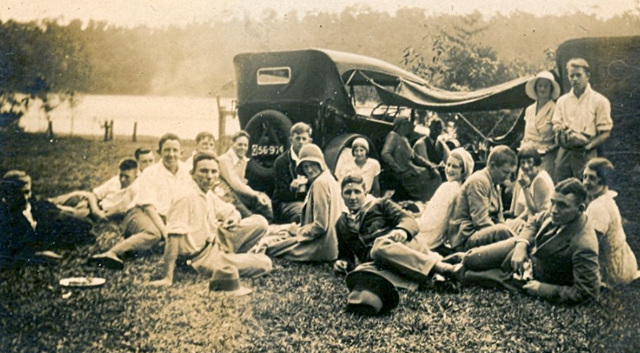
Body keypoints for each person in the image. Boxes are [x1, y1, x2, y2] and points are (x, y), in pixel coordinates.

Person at [443, 178, 600, 305]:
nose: (554, 209)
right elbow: (534, 221)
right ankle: (454, 259)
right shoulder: (557, 215)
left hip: (528, 277)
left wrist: (542, 289)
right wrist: (522, 244)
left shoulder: (584, 244)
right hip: (518, 250)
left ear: (580, 209)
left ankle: (440, 269)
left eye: (562, 205)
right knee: (471, 259)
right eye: (553, 202)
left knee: (468, 276)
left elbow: (587, 293)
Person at [148, 153, 272, 287]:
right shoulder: (186, 197)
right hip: (201, 259)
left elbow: (230, 210)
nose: (209, 176)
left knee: (260, 222)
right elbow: (173, 237)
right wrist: (167, 277)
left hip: (216, 242)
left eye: (214, 172)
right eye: (203, 171)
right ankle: (232, 260)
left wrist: (232, 218)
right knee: (265, 263)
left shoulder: (206, 193)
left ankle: (233, 258)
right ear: (192, 174)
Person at [90, 133, 191, 269]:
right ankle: (111, 253)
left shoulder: (187, 171)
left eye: (175, 150)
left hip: (167, 217)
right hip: (139, 212)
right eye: (167, 150)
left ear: (181, 152)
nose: (171, 154)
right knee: (153, 234)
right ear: (159, 152)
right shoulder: (151, 172)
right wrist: (165, 234)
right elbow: (148, 206)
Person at [333, 173, 456, 285]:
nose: (352, 197)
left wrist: (402, 230)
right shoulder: (341, 223)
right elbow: (345, 254)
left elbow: (409, 220)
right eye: (348, 192)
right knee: (360, 271)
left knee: (378, 247)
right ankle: (431, 280)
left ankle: (438, 267)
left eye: (357, 191)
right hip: (380, 262)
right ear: (341, 195)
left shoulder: (381, 204)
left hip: (403, 246)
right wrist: (343, 263)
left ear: (365, 192)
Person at [259, 144, 343, 262]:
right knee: (279, 231)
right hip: (333, 244)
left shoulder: (320, 183)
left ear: (321, 163)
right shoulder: (329, 179)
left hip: (320, 247)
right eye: (305, 166)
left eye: (313, 164)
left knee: (269, 246)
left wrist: (298, 232)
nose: (309, 170)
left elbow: (320, 226)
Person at [1, 170, 95, 268]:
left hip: (42, 234)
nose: (25, 198)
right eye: (18, 194)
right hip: (29, 243)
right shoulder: (4, 216)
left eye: (27, 192)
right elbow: (6, 254)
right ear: (6, 194)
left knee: (83, 226)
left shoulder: (34, 204)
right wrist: (37, 256)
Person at [446, 145, 518, 251]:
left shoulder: (495, 184)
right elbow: (481, 222)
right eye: (505, 172)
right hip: (465, 238)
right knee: (503, 231)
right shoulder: (479, 181)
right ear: (492, 166)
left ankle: (519, 245)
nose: (507, 177)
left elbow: (500, 217)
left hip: (481, 232)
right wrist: (510, 234)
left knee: (518, 223)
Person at [552, 58, 613, 182]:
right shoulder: (562, 101)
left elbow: (605, 133)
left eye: (578, 75)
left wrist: (588, 147)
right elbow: (556, 123)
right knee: (562, 186)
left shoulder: (600, 101)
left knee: (586, 187)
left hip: (586, 151)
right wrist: (559, 129)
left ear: (587, 75)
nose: (575, 79)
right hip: (565, 152)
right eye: (571, 75)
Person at [582, 157, 639, 287]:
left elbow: (591, 245)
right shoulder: (606, 198)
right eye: (584, 177)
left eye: (592, 178)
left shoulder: (599, 206)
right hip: (627, 263)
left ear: (604, 180)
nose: (586, 182)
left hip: (615, 270)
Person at [414, 148, 474, 252]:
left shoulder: (448, 187)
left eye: (454, 167)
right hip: (436, 239)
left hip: (423, 238)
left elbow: (430, 221)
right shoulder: (460, 188)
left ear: (463, 171)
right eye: (448, 164)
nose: (449, 170)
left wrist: (411, 223)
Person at [49, 158, 139, 220]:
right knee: (78, 196)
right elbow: (93, 195)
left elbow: (126, 211)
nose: (122, 179)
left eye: (127, 177)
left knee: (75, 214)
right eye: (121, 175)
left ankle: (48, 210)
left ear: (136, 175)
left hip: (101, 211)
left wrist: (101, 213)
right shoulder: (115, 181)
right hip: (94, 205)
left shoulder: (138, 189)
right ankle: (47, 203)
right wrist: (95, 210)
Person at [381, 117, 441, 202]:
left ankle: (429, 201)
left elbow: (415, 156)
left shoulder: (404, 139)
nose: (408, 128)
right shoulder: (393, 136)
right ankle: (422, 200)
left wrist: (429, 165)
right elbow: (385, 154)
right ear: (401, 126)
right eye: (406, 125)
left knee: (434, 174)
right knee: (426, 177)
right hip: (403, 171)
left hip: (410, 168)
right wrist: (397, 169)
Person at [217, 130, 273, 221]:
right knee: (249, 216)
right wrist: (255, 194)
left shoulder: (243, 160)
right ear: (232, 143)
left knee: (264, 203)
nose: (243, 148)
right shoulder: (224, 160)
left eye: (245, 145)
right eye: (239, 144)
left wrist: (258, 195)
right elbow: (235, 184)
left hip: (236, 194)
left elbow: (242, 184)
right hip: (225, 196)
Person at [520, 71, 561, 179]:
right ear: (535, 88)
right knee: (523, 186)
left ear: (551, 89)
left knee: (541, 185)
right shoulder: (529, 109)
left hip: (545, 158)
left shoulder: (555, 109)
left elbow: (559, 141)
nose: (542, 89)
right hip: (526, 157)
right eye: (540, 86)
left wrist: (548, 150)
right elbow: (525, 136)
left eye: (546, 86)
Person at [272, 122, 312, 224]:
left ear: (310, 141)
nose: (301, 142)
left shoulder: (313, 159)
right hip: (287, 203)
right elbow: (283, 194)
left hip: (308, 200)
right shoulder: (281, 162)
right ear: (291, 140)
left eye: (304, 139)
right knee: (303, 213)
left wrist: (305, 183)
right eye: (297, 138)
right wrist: (304, 191)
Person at [508, 145, 554, 228]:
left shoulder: (540, 180)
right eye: (522, 162)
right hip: (533, 220)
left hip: (542, 223)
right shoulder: (531, 178)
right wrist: (513, 222)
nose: (526, 166)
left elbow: (536, 211)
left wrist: (525, 188)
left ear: (536, 163)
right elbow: (528, 210)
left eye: (529, 162)